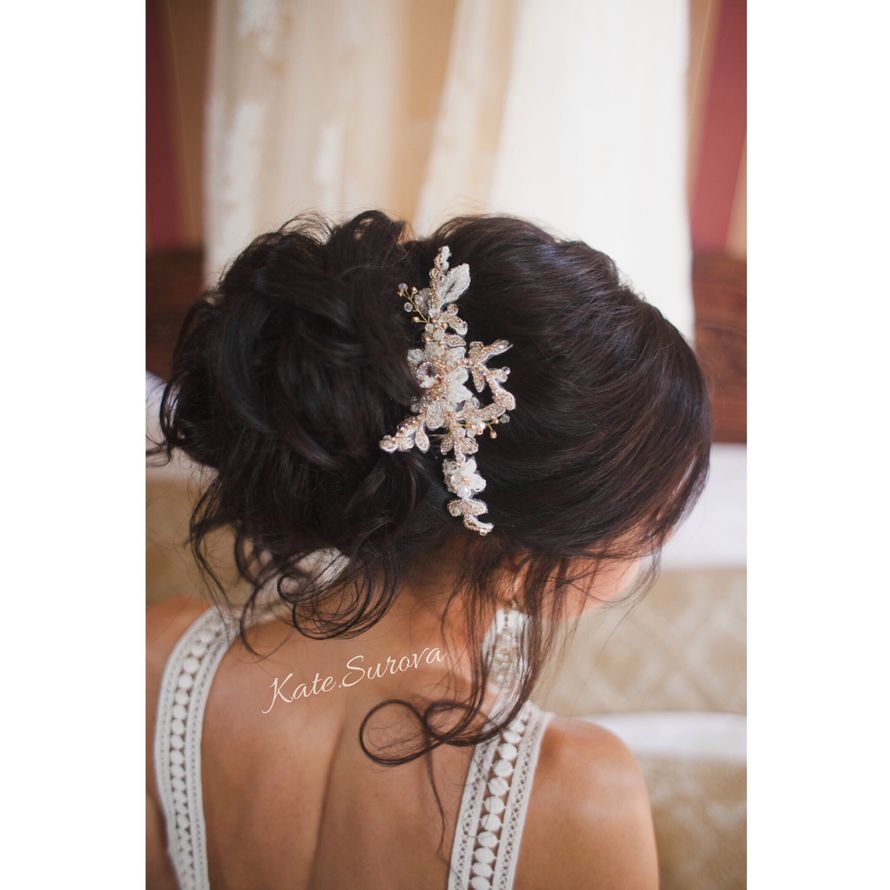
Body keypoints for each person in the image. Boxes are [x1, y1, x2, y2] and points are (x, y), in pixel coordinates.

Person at [146, 209, 711, 889]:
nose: (656, 544)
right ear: (521, 567)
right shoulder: (581, 793)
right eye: (650, 521)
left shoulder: (156, 660)